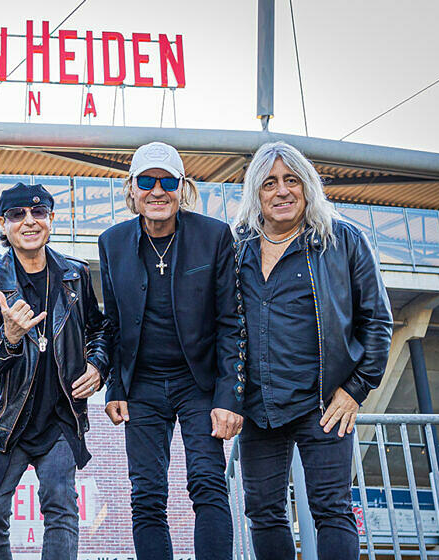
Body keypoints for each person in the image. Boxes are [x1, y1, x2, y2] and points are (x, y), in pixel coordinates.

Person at [232, 141, 392, 559]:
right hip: (258, 406)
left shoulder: (343, 240)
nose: (282, 191)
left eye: (291, 180)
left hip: (324, 402)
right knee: (263, 512)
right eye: (269, 183)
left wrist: (355, 389)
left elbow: (377, 321)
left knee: (332, 510)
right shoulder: (237, 248)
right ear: (255, 193)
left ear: (307, 186)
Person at [99, 142, 244, 560]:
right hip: (142, 384)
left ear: (183, 187)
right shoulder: (111, 242)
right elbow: (113, 323)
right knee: (146, 495)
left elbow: (231, 322)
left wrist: (229, 396)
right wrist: (115, 388)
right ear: (132, 188)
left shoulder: (214, 236)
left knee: (207, 483)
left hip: (198, 382)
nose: (157, 191)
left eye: (168, 182)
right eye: (147, 181)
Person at [0, 182, 108, 560]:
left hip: (60, 417)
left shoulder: (76, 274)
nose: (29, 221)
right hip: (5, 422)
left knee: (61, 507)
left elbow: (99, 329)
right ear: (3, 224)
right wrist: (10, 337)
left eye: (38, 212)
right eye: (17, 215)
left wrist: (98, 365)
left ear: (51, 219)